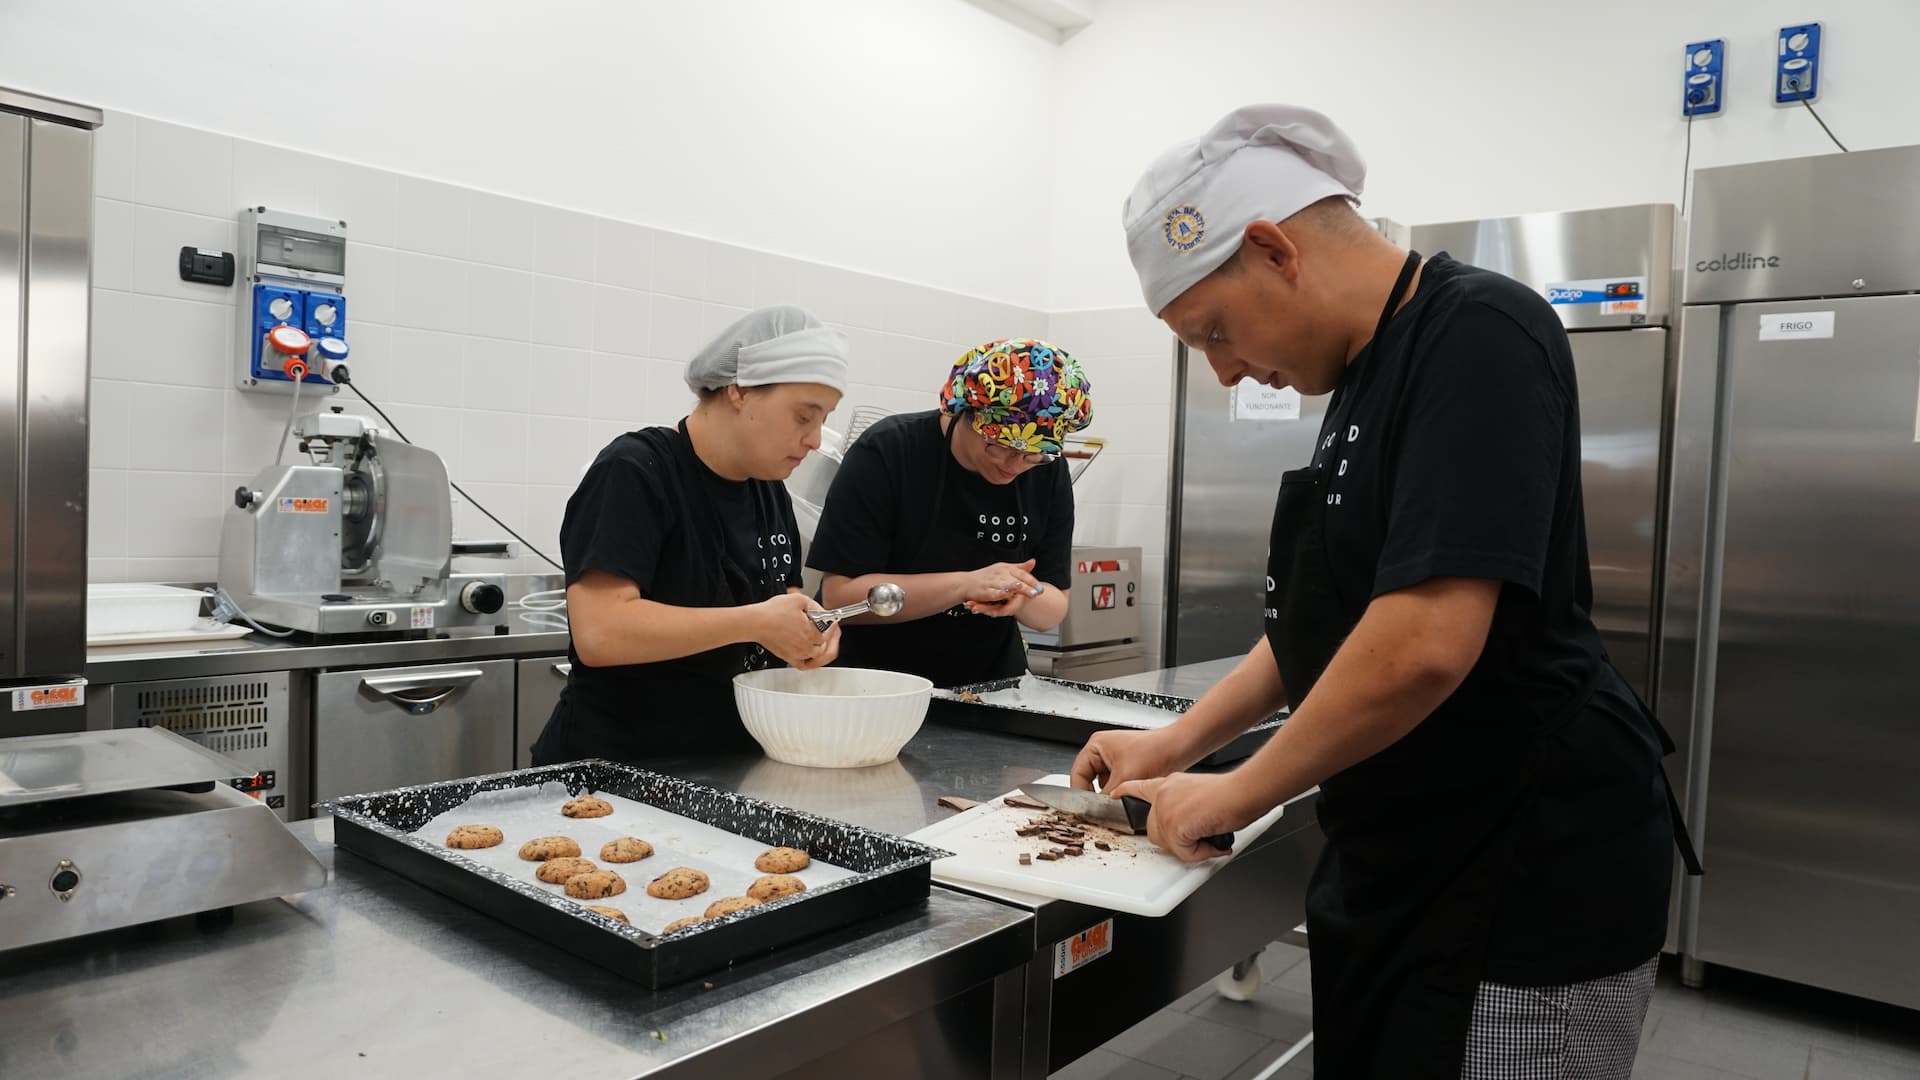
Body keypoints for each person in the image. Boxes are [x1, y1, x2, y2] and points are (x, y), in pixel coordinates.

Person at [1069, 105, 1700, 1079]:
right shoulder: (1364, 375)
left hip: (1522, 860)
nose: (1224, 369)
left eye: (1213, 331)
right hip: (1408, 850)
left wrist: (1235, 791)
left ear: (1274, 249)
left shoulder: (1479, 332)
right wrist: (1176, 743)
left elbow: (1421, 644)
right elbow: (1325, 625)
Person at [530, 306, 848, 764]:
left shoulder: (769, 490)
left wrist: (809, 628)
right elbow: (600, 633)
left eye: (823, 420)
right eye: (803, 417)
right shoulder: (636, 470)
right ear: (739, 390)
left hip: (722, 765)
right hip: (615, 770)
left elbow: (783, 596)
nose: (815, 440)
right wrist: (756, 622)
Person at [804, 339, 1093, 687]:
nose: (1015, 465)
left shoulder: (1048, 472)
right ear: (963, 412)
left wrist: (1021, 599)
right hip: (875, 685)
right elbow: (840, 597)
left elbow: (1053, 607)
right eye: (1001, 446)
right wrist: (964, 585)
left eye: (1034, 455)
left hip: (989, 687)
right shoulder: (888, 451)